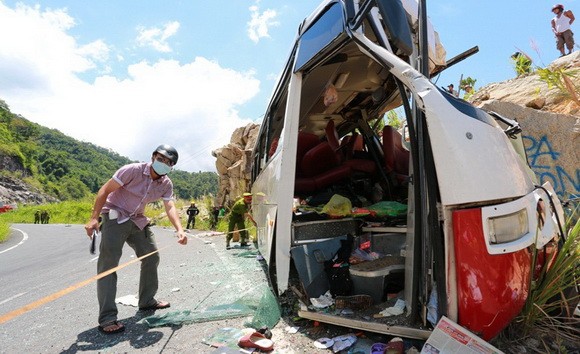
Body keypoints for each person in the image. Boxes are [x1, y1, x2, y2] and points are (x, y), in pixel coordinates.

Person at [84, 144, 188, 334]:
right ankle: (107, 318)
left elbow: (170, 207)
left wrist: (179, 229)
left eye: (168, 162)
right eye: (161, 159)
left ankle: (147, 301)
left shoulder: (166, 184)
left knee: (151, 256)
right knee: (109, 265)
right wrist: (93, 218)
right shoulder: (132, 170)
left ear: (172, 166)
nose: (163, 163)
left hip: (138, 220)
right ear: (153, 156)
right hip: (115, 216)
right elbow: (105, 190)